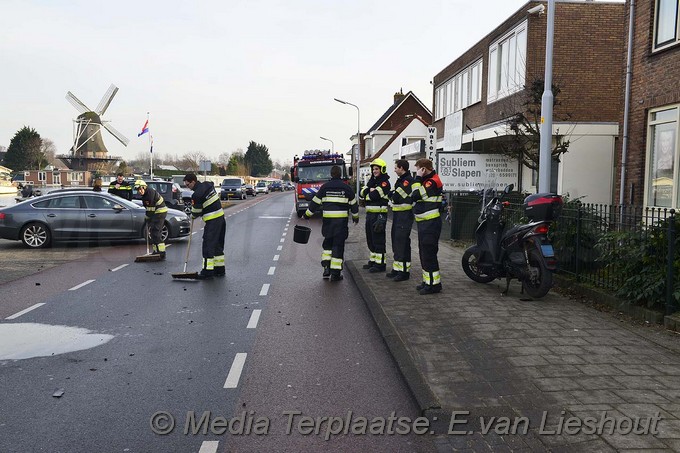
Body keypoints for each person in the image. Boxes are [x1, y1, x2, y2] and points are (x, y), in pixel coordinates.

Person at [304, 165, 359, 281]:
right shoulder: (347, 188)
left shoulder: (325, 187)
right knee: (338, 246)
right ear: (340, 174)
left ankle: (326, 269)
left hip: (328, 223)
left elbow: (314, 203)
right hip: (341, 223)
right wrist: (355, 217)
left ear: (331, 174)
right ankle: (335, 273)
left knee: (328, 245)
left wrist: (307, 215)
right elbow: (354, 204)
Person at [410, 158, 444, 295]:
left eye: (418, 169)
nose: (417, 172)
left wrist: (417, 177)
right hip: (425, 224)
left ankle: (433, 285)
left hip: (431, 224)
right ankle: (428, 281)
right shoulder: (426, 181)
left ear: (423, 169)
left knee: (429, 254)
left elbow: (416, 195)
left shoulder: (432, 181)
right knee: (424, 253)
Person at [183, 173, 226, 279]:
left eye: (188, 185)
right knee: (217, 245)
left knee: (208, 245)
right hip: (221, 218)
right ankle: (219, 269)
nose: (188, 187)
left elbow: (197, 211)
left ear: (193, 181)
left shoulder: (196, 194)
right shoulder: (208, 185)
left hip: (212, 221)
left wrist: (192, 215)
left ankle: (207, 271)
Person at [360, 158, 391, 272]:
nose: (374, 171)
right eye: (373, 169)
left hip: (379, 215)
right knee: (370, 239)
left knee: (378, 240)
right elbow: (361, 193)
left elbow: (373, 196)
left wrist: (368, 191)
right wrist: (369, 190)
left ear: (382, 169)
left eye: (377, 169)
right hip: (369, 215)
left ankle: (380, 264)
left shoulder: (385, 182)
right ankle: (373, 261)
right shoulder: (372, 181)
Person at [387, 159, 414, 282]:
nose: (394, 170)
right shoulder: (401, 180)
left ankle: (403, 272)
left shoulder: (407, 181)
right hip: (398, 216)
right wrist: (392, 195)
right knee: (396, 242)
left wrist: (392, 195)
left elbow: (395, 197)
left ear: (402, 168)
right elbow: (391, 194)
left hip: (404, 216)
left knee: (402, 243)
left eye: (396, 168)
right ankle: (397, 269)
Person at [135, 180, 167, 260]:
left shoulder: (149, 194)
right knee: (152, 232)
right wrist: (148, 217)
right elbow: (149, 209)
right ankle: (156, 251)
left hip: (160, 212)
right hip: (155, 213)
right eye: (137, 190)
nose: (139, 191)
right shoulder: (145, 195)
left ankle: (162, 252)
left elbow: (150, 209)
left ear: (144, 187)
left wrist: (147, 217)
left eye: (140, 189)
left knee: (156, 231)